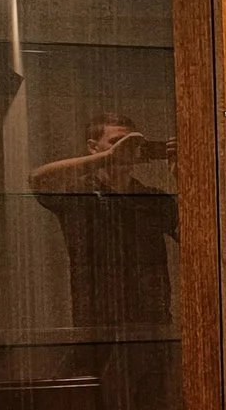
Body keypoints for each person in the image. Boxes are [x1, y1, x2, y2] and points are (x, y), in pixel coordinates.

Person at [31, 112, 177, 334]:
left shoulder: (152, 198)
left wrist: (184, 176)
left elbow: (195, 239)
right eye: (115, 142)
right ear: (93, 147)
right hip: (96, 322)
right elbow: (38, 180)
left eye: (130, 143)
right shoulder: (79, 194)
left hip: (152, 319)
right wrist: (108, 157)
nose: (124, 150)